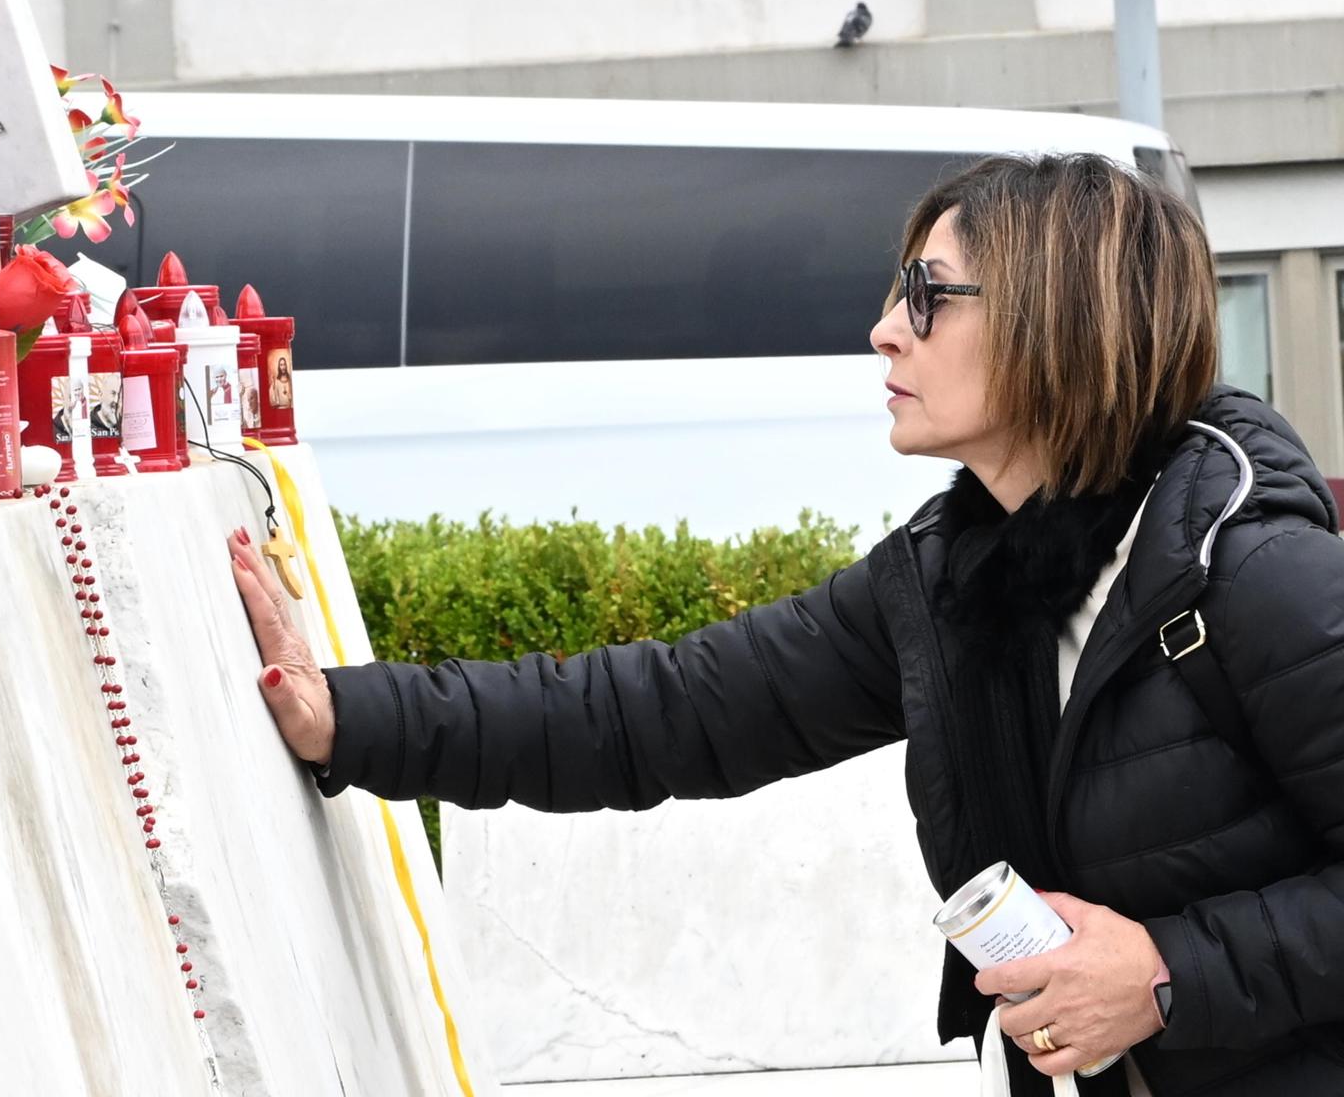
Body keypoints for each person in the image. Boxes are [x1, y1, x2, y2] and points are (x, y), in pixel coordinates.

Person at [229, 154, 1344, 1095]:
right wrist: (350, 716)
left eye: (927, 295)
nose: (882, 332)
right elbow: (664, 710)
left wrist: (1164, 972)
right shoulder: (959, 578)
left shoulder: (1253, 573)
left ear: (1058, 320)